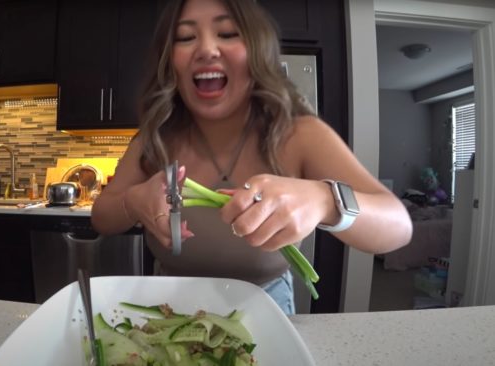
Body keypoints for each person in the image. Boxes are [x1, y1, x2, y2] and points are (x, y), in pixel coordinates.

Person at [91, 0, 412, 315]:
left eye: (228, 33)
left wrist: (325, 201)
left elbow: (398, 226)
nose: (206, 49)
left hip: (265, 304)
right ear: (170, 60)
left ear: (256, 50)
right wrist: (133, 202)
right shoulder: (154, 138)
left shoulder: (299, 134)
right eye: (186, 37)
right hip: (169, 303)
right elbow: (101, 217)